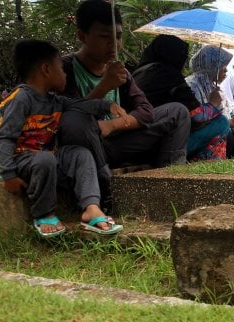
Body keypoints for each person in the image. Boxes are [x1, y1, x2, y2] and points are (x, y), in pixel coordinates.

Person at [57, 0, 190, 211]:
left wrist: (112, 126)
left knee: (177, 112)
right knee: (77, 123)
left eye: (118, 37)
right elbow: (67, 119)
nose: (114, 45)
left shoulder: (121, 72)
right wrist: (103, 87)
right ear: (82, 36)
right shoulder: (64, 68)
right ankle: (105, 191)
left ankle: (171, 179)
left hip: (117, 141)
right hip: (86, 147)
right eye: (104, 37)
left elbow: (145, 111)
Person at [0, 40, 123, 237]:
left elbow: (80, 105)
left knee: (80, 154)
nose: (65, 74)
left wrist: (107, 106)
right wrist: (9, 174)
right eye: (61, 68)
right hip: (22, 160)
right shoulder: (20, 98)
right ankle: (44, 213)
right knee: (44, 159)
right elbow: (4, 139)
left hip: (48, 157)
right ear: (46, 69)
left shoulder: (55, 100)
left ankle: (91, 207)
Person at [133, 35, 229, 161]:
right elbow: (197, 116)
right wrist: (213, 104)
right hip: (162, 145)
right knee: (222, 122)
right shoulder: (168, 75)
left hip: (138, 141)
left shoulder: (139, 73)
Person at [186, 46, 234, 159]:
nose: (226, 70)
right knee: (225, 130)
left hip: (218, 130)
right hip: (194, 135)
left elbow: (227, 115)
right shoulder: (192, 85)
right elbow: (195, 120)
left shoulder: (216, 88)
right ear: (210, 64)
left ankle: (232, 161)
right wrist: (213, 105)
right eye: (222, 65)